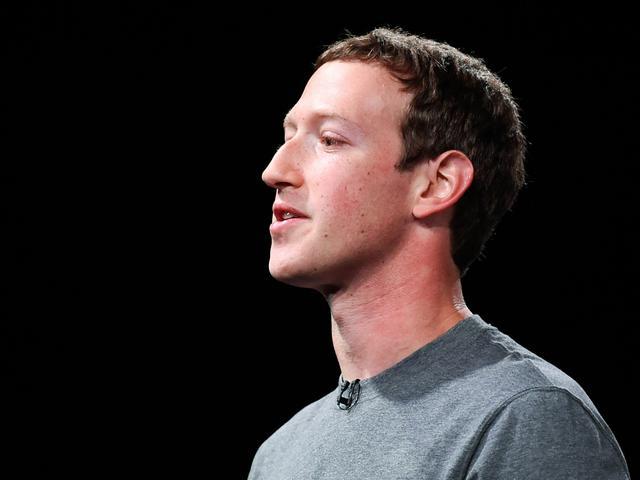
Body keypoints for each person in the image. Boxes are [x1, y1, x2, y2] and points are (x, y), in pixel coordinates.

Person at [249, 27, 630, 479]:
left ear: (437, 184)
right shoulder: (277, 456)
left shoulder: (523, 417)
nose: (274, 170)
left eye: (330, 140)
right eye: (288, 136)